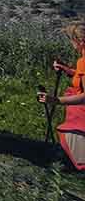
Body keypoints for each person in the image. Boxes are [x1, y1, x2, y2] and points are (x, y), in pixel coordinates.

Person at [39, 22, 85, 169]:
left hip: (81, 115)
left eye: (71, 40)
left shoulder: (83, 62)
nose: (71, 44)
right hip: (79, 112)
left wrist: (56, 100)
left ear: (80, 41)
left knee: (73, 139)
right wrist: (67, 70)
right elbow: (81, 77)